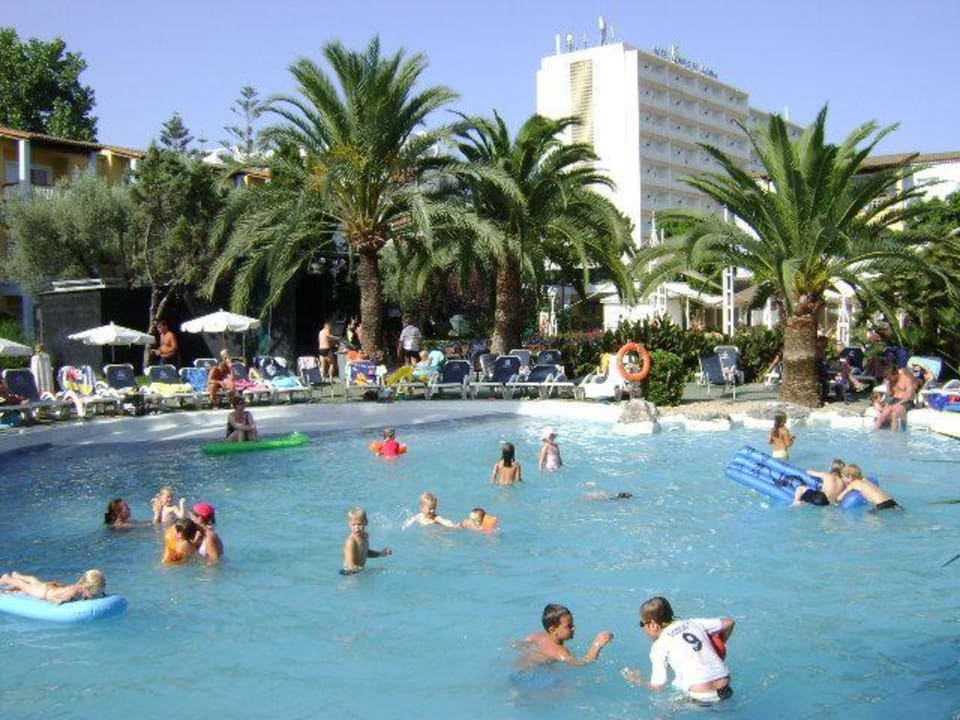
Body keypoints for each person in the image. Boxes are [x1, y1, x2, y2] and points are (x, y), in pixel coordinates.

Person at [622, 596, 735, 704]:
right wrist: (718, 648)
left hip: (701, 696)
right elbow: (729, 622)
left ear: (653, 625)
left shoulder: (658, 646)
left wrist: (638, 680)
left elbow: (657, 686)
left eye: (642, 624)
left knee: (666, 710)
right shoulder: (694, 623)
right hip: (726, 688)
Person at [520, 603, 613, 667]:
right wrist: (597, 644)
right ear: (553, 630)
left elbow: (518, 644)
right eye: (569, 626)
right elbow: (583, 663)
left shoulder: (537, 636)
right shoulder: (561, 652)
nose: (574, 628)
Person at [0, 569, 105, 604]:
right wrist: (62, 602)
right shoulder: (72, 593)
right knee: (23, 585)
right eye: (96, 591)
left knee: (35, 582)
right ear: (87, 587)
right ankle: (6, 579)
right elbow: (54, 597)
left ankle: (17, 575)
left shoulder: (81, 589)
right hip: (44, 593)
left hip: (52, 587)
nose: (97, 594)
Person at [342, 507, 392, 574]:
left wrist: (380, 553)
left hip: (358, 570)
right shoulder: (351, 542)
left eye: (359, 524)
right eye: (353, 524)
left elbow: (365, 552)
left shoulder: (365, 536)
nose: (356, 527)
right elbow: (351, 565)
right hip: (349, 573)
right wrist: (368, 572)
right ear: (349, 524)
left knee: (384, 570)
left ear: (365, 522)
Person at [836, 464, 901, 510]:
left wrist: (835, 503)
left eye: (843, 477)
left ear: (850, 477)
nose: (842, 479)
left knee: (869, 515)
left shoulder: (854, 483)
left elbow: (839, 498)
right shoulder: (866, 480)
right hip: (892, 501)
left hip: (881, 504)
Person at [873, 366, 916, 431]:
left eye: (890, 377)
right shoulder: (890, 381)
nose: (889, 379)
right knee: (883, 414)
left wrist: (899, 403)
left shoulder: (906, 379)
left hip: (906, 401)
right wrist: (888, 385)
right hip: (894, 400)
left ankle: (893, 434)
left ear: (895, 374)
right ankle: (874, 431)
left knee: (894, 414)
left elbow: (910, 395)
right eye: (888, 378)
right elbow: (890, 394)